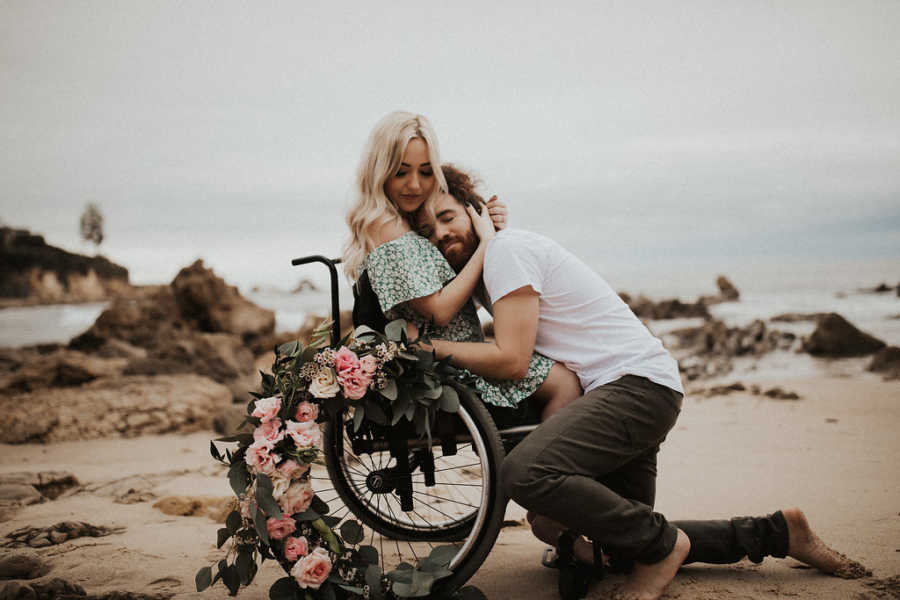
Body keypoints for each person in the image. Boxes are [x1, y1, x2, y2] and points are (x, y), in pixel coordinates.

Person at [413, 167, 870, 600]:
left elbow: (512, 359)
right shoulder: (489, 263)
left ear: (474, 210)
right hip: (632, 388)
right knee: (626, 540)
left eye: (449, 217)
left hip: (634, 389)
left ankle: (665, 548)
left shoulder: (507, 251)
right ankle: (779, 531)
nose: (442, 234)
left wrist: (427, 349)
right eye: (429, 231)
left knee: (525, 475)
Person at [342, 111, 582, 424]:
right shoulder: (386, 224)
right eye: (401, 172)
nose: (415, 184)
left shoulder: (403, 221)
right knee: (564, 384)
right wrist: (486, 245)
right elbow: (438, 309)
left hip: (454, 355)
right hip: (444, 368)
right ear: (380, 169)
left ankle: (531, 462)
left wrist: (488, 228)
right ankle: (536, 469)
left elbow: (446, 271)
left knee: (556, 374)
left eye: (426, 172)